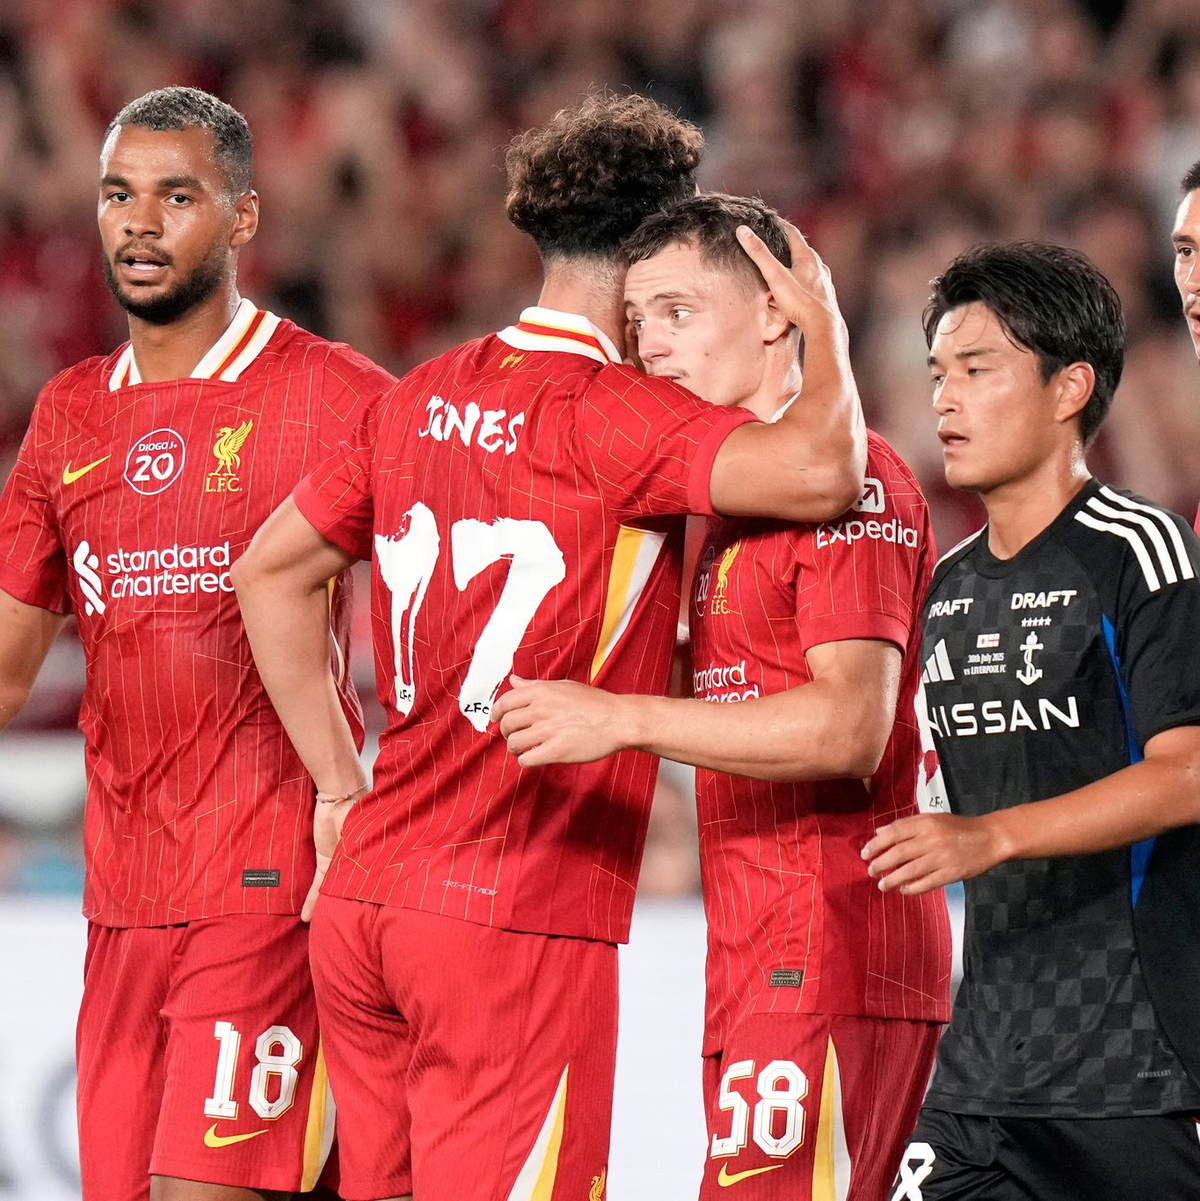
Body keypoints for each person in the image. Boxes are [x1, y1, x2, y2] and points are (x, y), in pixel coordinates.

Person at [231, 94, 867, 1201]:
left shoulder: (419, 392)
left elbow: (269, 572)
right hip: (513, 912)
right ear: (651, 252)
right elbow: (824, 473)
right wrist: (821, 319)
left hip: (369, 898)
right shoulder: (617, 411)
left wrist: (339, 782)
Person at [491, 194, 953, 1200]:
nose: (649, 346)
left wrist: (618, 719)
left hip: (833, 948)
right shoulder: (733, 500)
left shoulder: (858, 483)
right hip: (760, 952)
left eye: (677, 312)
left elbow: (848, 726)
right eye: (639, 319)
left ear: (778, 313)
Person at [0, 87, 395, 1201]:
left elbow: (463, 565)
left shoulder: (336, 396)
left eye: (177, 197)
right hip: (120, 904)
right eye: (119, 195)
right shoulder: (69, 416)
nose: (139, 222)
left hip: (274, 883)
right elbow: (9, 663)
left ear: (243, 218)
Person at [863, 242, 1200, 1200]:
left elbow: (1188, 773)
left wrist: (992, 835)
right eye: (937, 373)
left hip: (1138, 1074)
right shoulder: (949, 586)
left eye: (978, 370)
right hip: (984, 1082)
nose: (945, 399)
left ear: (1069, 388)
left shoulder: (1143, 551)